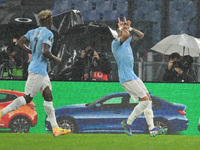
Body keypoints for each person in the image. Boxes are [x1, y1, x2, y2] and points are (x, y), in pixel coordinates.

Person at [0, 10, 71, 136]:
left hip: (40, 70)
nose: (52, 20)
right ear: (49, 20)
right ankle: (2, 113)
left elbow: (18, 43)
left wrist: (30, 50)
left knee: (48, 95)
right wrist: (56, 59)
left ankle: (55, 129)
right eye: (51, 19)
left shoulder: (32, 32)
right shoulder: (48, 33)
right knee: (27, 98)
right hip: (37, 70)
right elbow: (45, 52)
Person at [111, 17, 167, 137]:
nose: (127, 31)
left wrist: (130, 28)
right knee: (145, 100)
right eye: (124, 29)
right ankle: (128, 123)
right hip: (126, 78)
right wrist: (122, 28)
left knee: (148, 100)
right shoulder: (116, 43)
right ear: (118, 31)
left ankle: (152, 129)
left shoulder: (127, 41)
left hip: (132, 75)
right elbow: (125, 35)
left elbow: (141, 36)